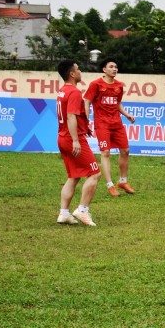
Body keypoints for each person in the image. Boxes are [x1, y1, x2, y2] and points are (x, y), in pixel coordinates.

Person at [56, 59, 101, 226]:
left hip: (62, 137)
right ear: (72, 74)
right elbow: (70, 116)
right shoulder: (74, 92)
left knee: (74, 176)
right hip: (72, 138)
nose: (80, 71)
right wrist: (76, 139)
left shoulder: (62, 91)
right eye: (78, 69)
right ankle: (82, 210)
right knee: (95, 174)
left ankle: (64, 214)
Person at [84, 57, 136, 197]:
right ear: (104, 69)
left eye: (116, 67)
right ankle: (110, 185)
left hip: (117, 123)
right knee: (105, 153)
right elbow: (87, 101)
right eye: (112, 67)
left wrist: (127, 115)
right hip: (102, 124)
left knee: (125, 150)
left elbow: (117, 103)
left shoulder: (119, 86)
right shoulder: (95, 84)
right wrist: (86, 118)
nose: (115, 69)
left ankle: (123, 181)